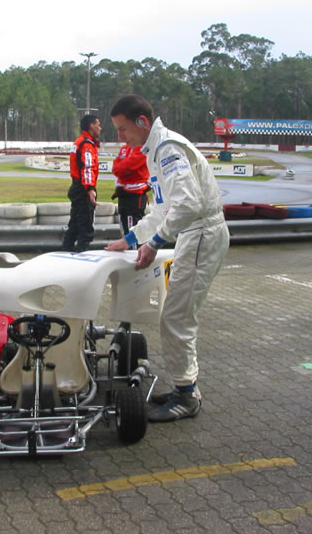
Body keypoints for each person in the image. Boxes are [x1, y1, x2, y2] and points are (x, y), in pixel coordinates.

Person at [105, 95, 229, 422]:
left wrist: (155, 243)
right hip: (194, 232)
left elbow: (186, 205)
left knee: (176, 317)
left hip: (202, 232)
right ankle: (183, 388)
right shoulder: (156, 149)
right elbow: (162, 209)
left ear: (142, 122)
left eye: (122, 129)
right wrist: (131, 239)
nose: (120, 137)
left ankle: (187, 396)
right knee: (175, 316)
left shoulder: (167, 148)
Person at [63, 114, 101, 252]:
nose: (100, 128)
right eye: (98, 125)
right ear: (91, 126)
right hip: (83, 188)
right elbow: (88, 167)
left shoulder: (78, 141)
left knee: (74, 223)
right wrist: (90, 189)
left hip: (77, 186)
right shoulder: (86, 145)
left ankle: (66, 250)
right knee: (85, 227)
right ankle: (81, 254)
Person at [111, 131, 150, 237]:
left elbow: (127, 166)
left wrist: (123, 170)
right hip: (123, 194)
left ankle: (134, 251)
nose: (121, 134)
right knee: (124, 228)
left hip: (135, 195)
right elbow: (116, 168)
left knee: (133, 228)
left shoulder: (142, 147)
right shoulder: (124, 148)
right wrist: (123, 170)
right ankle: (129, 249)